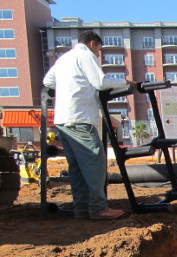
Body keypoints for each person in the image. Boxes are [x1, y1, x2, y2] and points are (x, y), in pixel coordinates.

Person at [43, 31, 135, 220]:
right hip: (80, 119)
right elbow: (100, 82)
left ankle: (82, 209)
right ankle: (98, 208)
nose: (98, 55)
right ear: (92, 43)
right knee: (95, 162)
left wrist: (69, 85)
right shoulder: (85, 55)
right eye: (98, 50)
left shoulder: (64, 59)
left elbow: (48, 81)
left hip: (62, 120)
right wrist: (124, 81)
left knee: (76, 167)